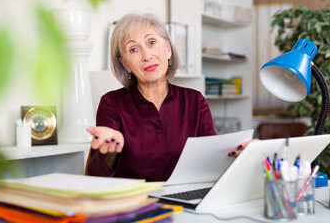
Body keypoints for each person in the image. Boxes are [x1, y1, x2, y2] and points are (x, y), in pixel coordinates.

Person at [86, 13, 237, 182]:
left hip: (185, 200)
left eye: (151, 43)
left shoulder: (195, 101)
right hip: (135, 202)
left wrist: (237, 155)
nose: (147, 56)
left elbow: (211, 159)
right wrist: (111, 151)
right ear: (125, 64)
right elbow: (96, 176)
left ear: (168, 49)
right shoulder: (111, 104)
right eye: (133, 49)